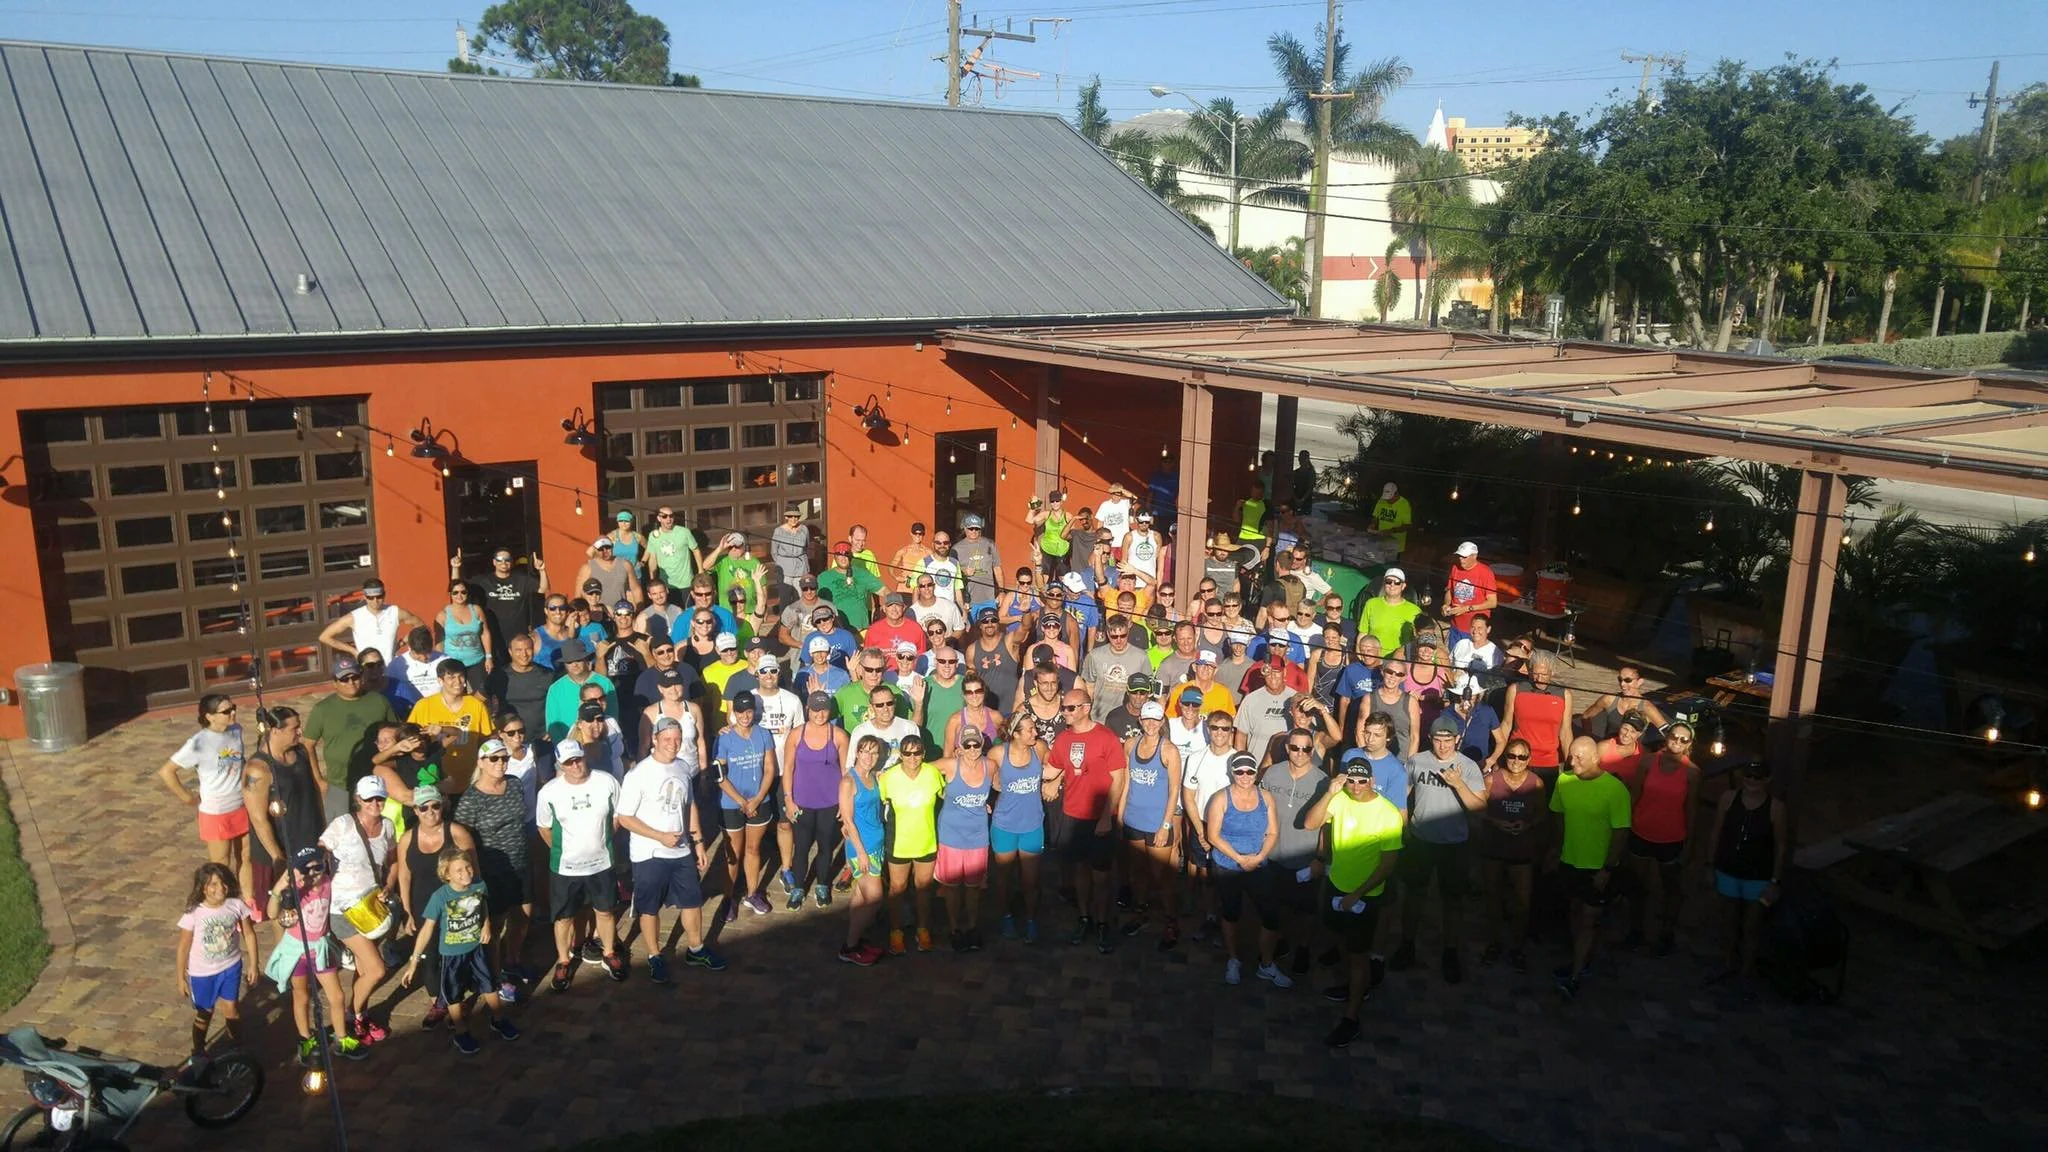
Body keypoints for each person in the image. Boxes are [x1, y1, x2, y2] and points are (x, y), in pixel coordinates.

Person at [1304, 756, 1403, 1049]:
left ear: (1372, 781)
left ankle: (1352, 1018)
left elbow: (1388, 865)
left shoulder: (1388, 814)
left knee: (1359, 955)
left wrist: (1357, 894)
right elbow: (1311, 823)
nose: (1357, 786)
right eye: (1351, 781)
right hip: (1337, 887)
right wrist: (1329, 792)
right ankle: (1354, 987)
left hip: (1364, 897)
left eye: (1362, 781)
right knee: (1340, 941)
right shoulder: (1340, 798)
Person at [618, 717, 725, 984]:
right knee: (649, 907)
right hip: (649, 853)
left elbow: (689, 806)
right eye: (667, 739)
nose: (673, 744)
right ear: (654, 739)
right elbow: (625, 818)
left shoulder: (682, 766)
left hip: (680, 850)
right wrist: (659, 836)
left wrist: (698, 842)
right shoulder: (638, 774)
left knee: (692, 901)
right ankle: (654, 955)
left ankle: (696, 949)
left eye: (677, 739)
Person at [1394, 718, 1487, 984]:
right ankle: (1407, 944)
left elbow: (1479, 807)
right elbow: (1403, 795)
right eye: (1438, 740)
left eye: (1448, 740)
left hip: (1454, 844)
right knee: (1414, 895)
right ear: (1430, 739)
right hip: (1421, 840)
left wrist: (1458, 784)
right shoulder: (1417, 761)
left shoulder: (1468, 767)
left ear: (1457, 739)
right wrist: (1404, 826)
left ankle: (1450, 951)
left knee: (1453, 901)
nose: (1443, 746)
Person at [401, 846, 519, 1054]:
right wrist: (414, 962)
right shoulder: (440, 897)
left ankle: (499, 1019)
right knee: (454, 995)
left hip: (476, 949)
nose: (466, 873)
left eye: (468, 867)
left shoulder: (479, 885)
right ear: (446, 874)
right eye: (459, 870)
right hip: (451, 955)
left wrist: (486, 925)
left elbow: (483, 905)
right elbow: (427, 929)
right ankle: (461, 1032)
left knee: (489, 985)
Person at [536, 740, 625, 991]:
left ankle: (609, 952)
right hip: (566, 868)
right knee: (564, 917)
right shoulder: (549, 792)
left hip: (602, 863)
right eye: (569, 762)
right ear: (560, 765)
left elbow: (618, 815)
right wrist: (563, 850)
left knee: (605, 911)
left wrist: (603, 840)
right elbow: (544, 827)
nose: (575, 765)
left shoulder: (606, 782)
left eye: (578, 759)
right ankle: (563, 960)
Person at [264, 847, 364, 1064]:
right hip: (297, 951)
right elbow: (271, 913)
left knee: (337, 996)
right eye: (305, 869)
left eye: (317, 867)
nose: (312, 873)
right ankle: (305, 1038)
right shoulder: (294, 891)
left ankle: (341, 1038)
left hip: (319, 948)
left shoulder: (329, 882)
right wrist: (280, 887)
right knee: (301, 995)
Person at [159, 695, 253, 925]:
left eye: (233, 708)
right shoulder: (198, 742)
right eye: (226, 711)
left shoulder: (236, 730)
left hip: (240, 804)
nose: (233, 713)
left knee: (246, 856)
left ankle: (249, 903)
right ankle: (223, 907)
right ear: (210, 716)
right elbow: (167, 771)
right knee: (221, 863)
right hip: (216, 811)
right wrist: (187, 797)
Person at [1551, 737, 1632, 1001]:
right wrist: (1557, 850)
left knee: (1588, 920)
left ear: (1596, 759)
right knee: (1575, 912)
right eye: (1571, 756)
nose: (1572, 762)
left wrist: (1608, 869)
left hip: (1597, 867)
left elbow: (1621, 832)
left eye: (1579, 757)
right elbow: (1558, 815)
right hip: (1570, 861)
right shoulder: (1564, 781)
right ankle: (1581, 959)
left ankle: (1575, 976)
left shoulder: (1615, 789)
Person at [319, 775, 398, 1044]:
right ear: (358, 800)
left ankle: (359, 1016)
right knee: (377, 970)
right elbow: (320, 850)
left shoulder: (387, 827)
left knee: (364, 970)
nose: (375, 803)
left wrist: (389, 884)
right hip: (342, 910)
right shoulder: (342, 825)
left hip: (371, 907)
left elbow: (393, 860)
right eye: (369, 799)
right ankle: (354, 1015)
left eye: (380, 798)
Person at [454, 738, 534, 1003]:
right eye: (494, 759)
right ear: (481, 762)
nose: (501, 763)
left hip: (520, 863)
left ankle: (513, 961)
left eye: (504, 758)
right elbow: (462, 839)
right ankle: (495, 976)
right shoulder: (471, 799)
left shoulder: (515, 784)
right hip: (492, 871)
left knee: (523, 916)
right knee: (495, 924)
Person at [395, 783, 477, 1028]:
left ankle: (455, 999)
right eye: (424, 808)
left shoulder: (457, 833)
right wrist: (407, 911)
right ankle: (438, 1002)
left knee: (455, 956)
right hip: (423, 906)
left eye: (435, 806)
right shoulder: (407, 839)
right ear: (415, 811)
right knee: (429, 956)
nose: (430, 812)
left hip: (455, 905)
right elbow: (404, 876)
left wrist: (475, 905)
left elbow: (474, 871)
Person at [1707, 759, 1787, 996]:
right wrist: (1709, 864)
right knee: (1728, 920)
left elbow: (1780, 846)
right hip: (1728, 869)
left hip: (1758, 876)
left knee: (1753, 925)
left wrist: (1775, 881)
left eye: (1757, 777)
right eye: (1749, 776)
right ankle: (1727, 962)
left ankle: (1746, 971)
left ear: (1767, 780)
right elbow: (1716, 832)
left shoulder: (1776, 808)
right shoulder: (1728, 798)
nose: (1752, 781)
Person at [1205, 750, 1280, 987]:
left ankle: (1266, 963)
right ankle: (1233, 958)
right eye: (1240, 771)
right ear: (1232, 773)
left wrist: (1259, 858)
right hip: (1228, 865)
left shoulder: (1266, 797)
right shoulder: (1221, 798)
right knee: (1231, 913)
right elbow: (1213, 836)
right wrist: (1239, 858)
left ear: (1256, 773)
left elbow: (1273, 832)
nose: (1245, 776)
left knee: (1270, 914)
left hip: (1258, 863)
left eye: (1250, 771)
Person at [244, 706, 324, 927]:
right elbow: (258, 819)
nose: (300, 732)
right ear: (275, 731)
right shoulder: (258, 769)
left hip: (309, 838)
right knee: (283, 908)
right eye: (294, 728)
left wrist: (323, 829)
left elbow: (315, 791)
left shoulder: (301, 752)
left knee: (316, 896)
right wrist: (277, 857)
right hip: (280, 846)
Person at [1627, 721, 1701, 956]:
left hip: (1671, 837)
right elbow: (1634, 796)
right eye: (1674, 736)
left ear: (1689, 744)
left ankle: (1666, 934)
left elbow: (1691, 809)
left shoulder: (1692, 772)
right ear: (1667, 737)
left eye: (1683, 739)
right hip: (1641, 831)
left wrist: (1690, 844)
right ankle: (1635, 930)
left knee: (1671, 888)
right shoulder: (1648, 762)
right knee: (1637, 884)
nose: (1677, 742)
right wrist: (1625, 827)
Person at [1263, 727, 1330, 978]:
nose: (1300, 753)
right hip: (1274, 854)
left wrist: (1320, 858)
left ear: (1312, 751)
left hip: (1306, 857)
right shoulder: (1272, 773)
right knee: (1276, 906)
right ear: (1287, 748)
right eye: (1295, 747)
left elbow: (1327, 825)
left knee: (1306, 910)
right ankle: (1279, 941)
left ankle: (1303, 948)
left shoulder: (1323, 781)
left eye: (1306, 748)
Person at [174, 862, 256, 1056]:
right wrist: (180, 977)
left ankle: (237, 1047)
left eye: (223, 882)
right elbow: (183, 947)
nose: (220, 888)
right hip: (203, 973)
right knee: (205, 1012)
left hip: (231, 966)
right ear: (202, 888)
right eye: (213, 884)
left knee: (232, 1009)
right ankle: (198, 1050)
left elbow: (249, 934)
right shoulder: (194, 912)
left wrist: (254, 964)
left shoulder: (236, 905)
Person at [1476, 737, 1543, 973]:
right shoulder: (1491, 780)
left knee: (1522, 902)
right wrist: (1496, 822)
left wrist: (1527, 825)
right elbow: (1479, 810)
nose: (1516, 761)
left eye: (1522, 757)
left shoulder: (1536, 783)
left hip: (1521, 849)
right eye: (1512, 756)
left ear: (1529, 759)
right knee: (1493, 898)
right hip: (1494, 847)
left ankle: (1517, 947)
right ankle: (1494, 942)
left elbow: (1542, 814)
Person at [302, 658, 397, 819]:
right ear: (335, 683)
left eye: (355, 677)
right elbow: (308, 745)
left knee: (379, 826)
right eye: (344, 679)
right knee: (340, 829)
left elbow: (396, 734)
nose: (351, 682)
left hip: (376, 780)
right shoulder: (322, 709)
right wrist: (318, 780)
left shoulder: (379, 701)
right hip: (339, 785)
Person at [712, 691, 778, 919]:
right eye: (740, 712)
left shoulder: (763, 734)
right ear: (734, 712)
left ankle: (752, 893)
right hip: (732, 804)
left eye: (749, 711)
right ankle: (729, 898)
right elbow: (719, 776)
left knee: (753, 849)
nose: (745, 716)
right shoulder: (724, 738)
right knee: (733, 854)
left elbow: (769, 768)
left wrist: (757, 799)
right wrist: (742, 801)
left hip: (759, 801)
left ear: (754, 711)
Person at [878, 733, 945, 954]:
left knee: (924, 888)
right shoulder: (889, 777)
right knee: (897, 888)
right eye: (907, 753)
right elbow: (877, 804)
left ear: (923, 754)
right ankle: (896, 931)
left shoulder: (933, 774)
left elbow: (946, 797)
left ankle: (922, 928)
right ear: (901, 755)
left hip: (927, 840)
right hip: (899, 842)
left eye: (917, 753)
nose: (912, 758)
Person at [783, 691, 849, 910]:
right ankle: (798, 888)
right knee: (801, 848)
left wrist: (844, 802)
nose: (820, 715)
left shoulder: (839, 736)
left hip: (830, 802)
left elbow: (846, 772)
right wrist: (788, 799)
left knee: (825, 846)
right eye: (815, 710)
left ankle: (822, 885)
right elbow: (788, 768)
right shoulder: (796, 735)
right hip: (802, 801)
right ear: (807, 710)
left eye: (824, 710)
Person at [932, 727, 995, 950]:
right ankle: (954, 928)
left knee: (973, 888)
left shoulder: (990, 766)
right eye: (967, 745)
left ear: (981, 745)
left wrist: (991, 804)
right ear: (960, 747)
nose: (972, 749)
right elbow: (919, 769)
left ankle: (972, 927)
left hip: (978, 836)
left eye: (976, 744)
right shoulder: (950, 765)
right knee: (951, 887)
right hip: (951, 836)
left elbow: (1001, 786)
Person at [837, 735, 891, 965]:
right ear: (857, 753)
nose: (869, 756)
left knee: (860, 898)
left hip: (876, 845)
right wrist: (860, 852)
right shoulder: (848, 782)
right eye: (865, 751)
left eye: (874, 752)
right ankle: (850, 946)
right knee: (875, 899)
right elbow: (848, 820)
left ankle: (854, 940)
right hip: (862, 849)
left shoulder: (873, 777)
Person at [408, 659, 495, 797]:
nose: (458, 681)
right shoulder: (424, 706)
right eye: (451, 677)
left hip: (471, 781)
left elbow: (485, 740)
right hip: (435, 781)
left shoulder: (476, 705)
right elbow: (410, 737)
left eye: (461, 676)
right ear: (440, 680)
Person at [1488, 652, 1573, 789]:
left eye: (1544, 674)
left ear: (1552, 673)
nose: (1539, 679)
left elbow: (1566, 732)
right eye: (1535, 674)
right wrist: (1498, 757)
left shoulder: (1564, 695)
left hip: (1548, 761)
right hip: (1517, 758)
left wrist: (1570, 763)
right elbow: (1506, 724)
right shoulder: (1516, 690)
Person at [467, 549, 547, 660]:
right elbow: (457, 588)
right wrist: (455, 568)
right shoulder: (484, 581)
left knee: (519, 664)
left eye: (507, 559)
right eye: (500, 559)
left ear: (512, 562)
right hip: (493, 634)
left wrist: (542, 570)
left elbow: (543, 589)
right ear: (494, 562)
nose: (503, 562)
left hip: (518, 634)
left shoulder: (522, 580)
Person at [319, 578, 422, 663]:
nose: (375, 601)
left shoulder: (395, 612)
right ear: (364, 597)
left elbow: (420, 625)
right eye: (370, 597)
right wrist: (353, 651)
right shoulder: (354, 617)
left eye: (379, 597)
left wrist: (402, 642)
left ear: (384, 594)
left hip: (391, 668)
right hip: (368, 670)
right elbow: (324, 637)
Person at [487, 633, 552, 745]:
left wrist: (552, 730)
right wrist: (492, 728)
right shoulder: (499, 676)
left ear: (534, 650)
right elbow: (478, 700)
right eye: (518, 650)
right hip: (510, 741)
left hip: (542, 740)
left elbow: (560, 705)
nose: (524, 654)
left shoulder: (547, 675)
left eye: (528, 649)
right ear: (510, 651)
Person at [1578, 665, 1671, 741]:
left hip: (1633, 754)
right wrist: (1588, 737)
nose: (1622, 684)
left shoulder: (1647, 708)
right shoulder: (1609, 699)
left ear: (1640, 682)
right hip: (1608, 751)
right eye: (1620, 679)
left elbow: (1669, 733)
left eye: (1628, 680)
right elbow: (1586, 716)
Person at [436, 576, 494, 691]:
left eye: (463, 592)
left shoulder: (476, 610)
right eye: (455, 592)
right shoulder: (443, 615)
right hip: (453, 663)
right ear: (450, 594)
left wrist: (489, 657)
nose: (459, 595)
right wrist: (441, 664)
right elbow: (439, 641)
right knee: (456, 694)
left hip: (476, 660)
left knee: (483, 693)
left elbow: (485, 633)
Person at [1441, 542, 1498, 646]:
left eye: (1465, 557)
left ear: (1474, 556)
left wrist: (1466, 608)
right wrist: (1446, 604)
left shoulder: (1486, 572)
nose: (1461, 559)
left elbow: (1492, 602)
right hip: (1455, 625)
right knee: (1453, 654)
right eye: (1459, 556)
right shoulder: (1455, 568)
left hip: (1474, 630)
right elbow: (1450, 590)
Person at [819, 541, 885, 631]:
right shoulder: (824, 577)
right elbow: (818, 603)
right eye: (839, 555)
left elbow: (884, 591)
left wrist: (889, 605)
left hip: (861, 629)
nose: (843, 558)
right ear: (835, 557)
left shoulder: (863, 574)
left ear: (851, 556)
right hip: (836, 630)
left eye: (846, 554)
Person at [1359, 568, 1422, 658]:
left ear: (1403, 586)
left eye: (1397, 582)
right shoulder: (1371, 604)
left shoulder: (1415, 610)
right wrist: (1359, 656)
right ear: (1384, 584)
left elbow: (1418, 639)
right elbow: (1363, 633)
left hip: (1400, 661)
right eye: (1388, 581)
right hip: (1372, 659)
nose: (1392, 585)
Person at [576, 536, 642, 611]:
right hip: (597, 613)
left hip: (621, 613)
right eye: (601, 549)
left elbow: (636, 589)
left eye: (608, 547)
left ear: (612, 547)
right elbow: (579, 595)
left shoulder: (625, 564)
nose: (605, 551)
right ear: (595, 550)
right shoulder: (587, 568)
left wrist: (640, 610)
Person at [645, 506, 703, 590]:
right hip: (665, 584)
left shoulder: (684, 532)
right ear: (659, 518)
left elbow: (696, 550)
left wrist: (701, 571)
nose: (668, 519)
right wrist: (653, 579)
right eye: (664, 516)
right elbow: (653, 558)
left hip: (686, 583)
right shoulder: (653, 536)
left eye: (671, 516)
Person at [953, 513, 1001, 607]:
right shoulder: (956, 549)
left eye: (977, 528)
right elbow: (952, 572)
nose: (974, 531)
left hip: (989, 598)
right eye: (971, 528)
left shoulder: (990, 544)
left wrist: (1001, 591)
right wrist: (963, 571)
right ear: (965, 528)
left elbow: (997, 568)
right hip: (968, 599)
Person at [1025, 490, 1074, 576]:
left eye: (1057, 501)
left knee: (1064, 578)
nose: (1055, 503)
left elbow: (1074, 534)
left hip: (1063, 551)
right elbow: (1029, 520)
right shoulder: (1047, 514)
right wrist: (1033, 506)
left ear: (1061, 501)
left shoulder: (1068, 516)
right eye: (1052, 501)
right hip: (1047, 550)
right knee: (1046, 577)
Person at [921, 529, 965, 605]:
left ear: (949, 544)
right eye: (938, 543)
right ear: (933, 544)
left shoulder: (955, 563)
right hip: (930, 607)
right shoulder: (924, 562)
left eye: (945, 543)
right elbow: (916, 589)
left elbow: (958, 589)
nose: (942, 545)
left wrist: (963, 609)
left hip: (949, 608)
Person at [1370, 482, 1413, 557]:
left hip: (1396, 545)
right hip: (1381, 541)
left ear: (1396, 494)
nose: (1388, 501)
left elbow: (1406, 525)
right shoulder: (1381, 501)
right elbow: (1375, 516)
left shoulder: (1404, 504)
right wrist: (1373, 524)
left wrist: (1392, 531)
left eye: (1390, 498)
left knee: (1392, 563)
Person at [771, 508, 813, 582]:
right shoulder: (778, 531)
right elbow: (774, 551)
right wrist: (781, 563)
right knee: (785, 589)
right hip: (785, 570)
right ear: (786, 517)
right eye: (790, 516)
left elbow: (806, 546)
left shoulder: (804, 529)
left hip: (801, 568)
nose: (793, 519)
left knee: (800, 589)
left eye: (796, 516)